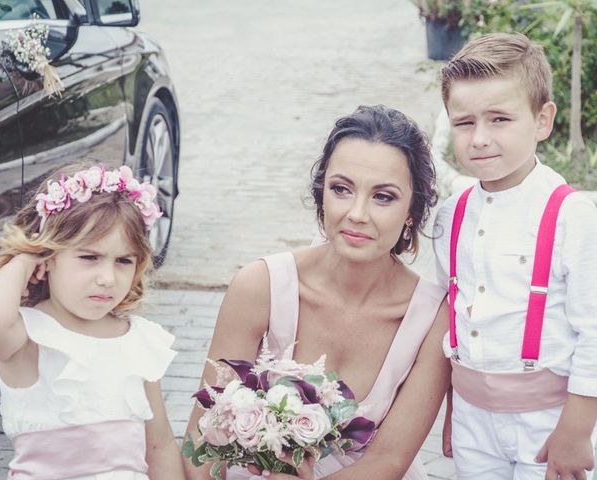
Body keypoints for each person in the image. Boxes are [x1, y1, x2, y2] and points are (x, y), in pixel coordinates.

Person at [184, 105, 450, 480]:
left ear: (412, 211)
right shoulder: (259, 286)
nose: (357, 213)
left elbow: (387, 462)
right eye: (341, 189)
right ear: (321, 192)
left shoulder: (432, 317)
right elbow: (201, 438)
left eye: (383, 197)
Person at [433, 32, 597, 480]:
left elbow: (594, 332)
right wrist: (453, 409)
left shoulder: (572, 215)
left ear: (542, 120)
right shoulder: (450, 217)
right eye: (464, 123)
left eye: (500, 119)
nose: (480, 138)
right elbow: (457, 318)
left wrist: (577, 430)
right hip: (473, 419)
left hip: (550, 422)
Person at [0, 163, 185, 480]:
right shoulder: (27, 336)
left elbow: (159, 445)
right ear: (49, 256)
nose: (107, 278)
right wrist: (26, 259)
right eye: (89, 257)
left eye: (123, 261)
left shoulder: (140, 341)